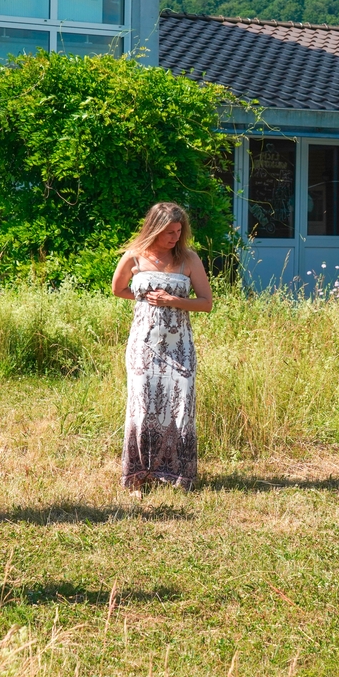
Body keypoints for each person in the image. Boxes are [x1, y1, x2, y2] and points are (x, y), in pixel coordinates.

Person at [111, 202, 212, 494]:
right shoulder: (134, 257)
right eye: (169, 232)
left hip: (179, 347)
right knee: (142, 409)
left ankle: (178, 476)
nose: (174, 238)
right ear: (154, 229)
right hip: (143, 346)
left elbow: (206, 303)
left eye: (179, 232)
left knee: (180, 408)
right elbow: (117, 289)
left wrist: (173, 302)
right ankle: (139, 477)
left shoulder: (189, 259)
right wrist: (145, 302)